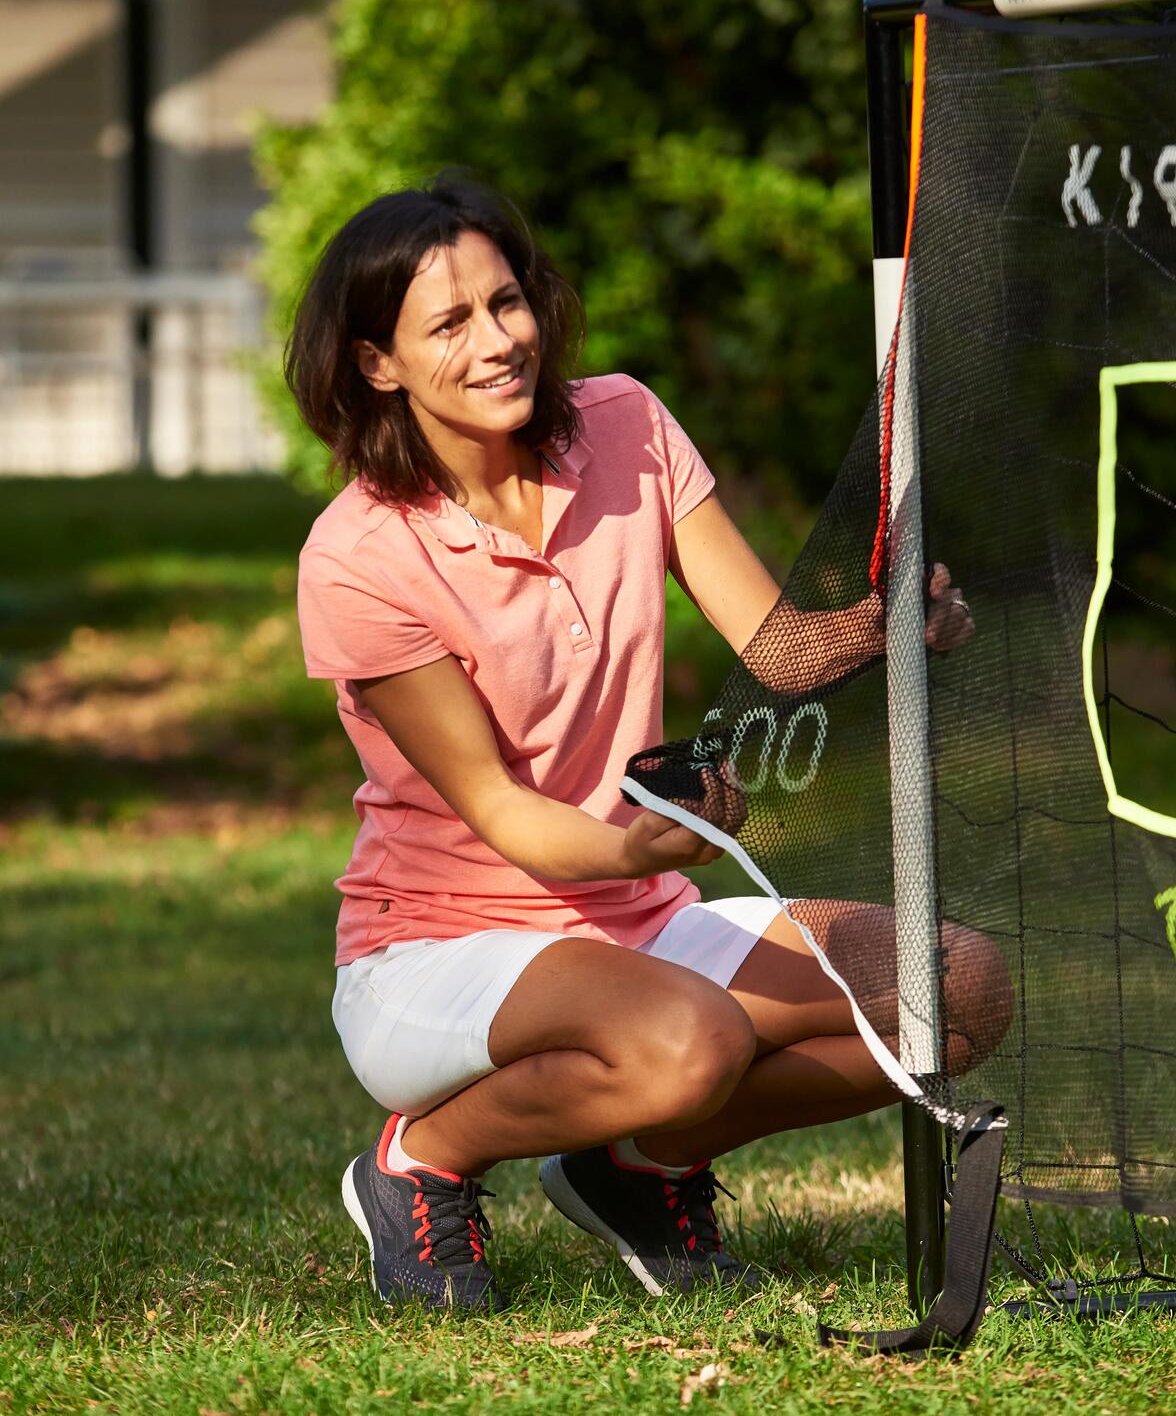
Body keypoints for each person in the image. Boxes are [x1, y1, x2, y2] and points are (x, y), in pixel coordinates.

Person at [289, 175, 1010, 1310]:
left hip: (637, 925)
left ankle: (640, 1166)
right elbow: (501, 809)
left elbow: (775, 648)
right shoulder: (358, 558)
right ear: (377, 363)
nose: (499, 341)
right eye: (450, 323)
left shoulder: (623, 422)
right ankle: (419, 1161)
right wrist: (638, 851)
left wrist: (886, 628)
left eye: (508, 301)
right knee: (690, 1044)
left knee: (958, 990)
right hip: (443, 948)